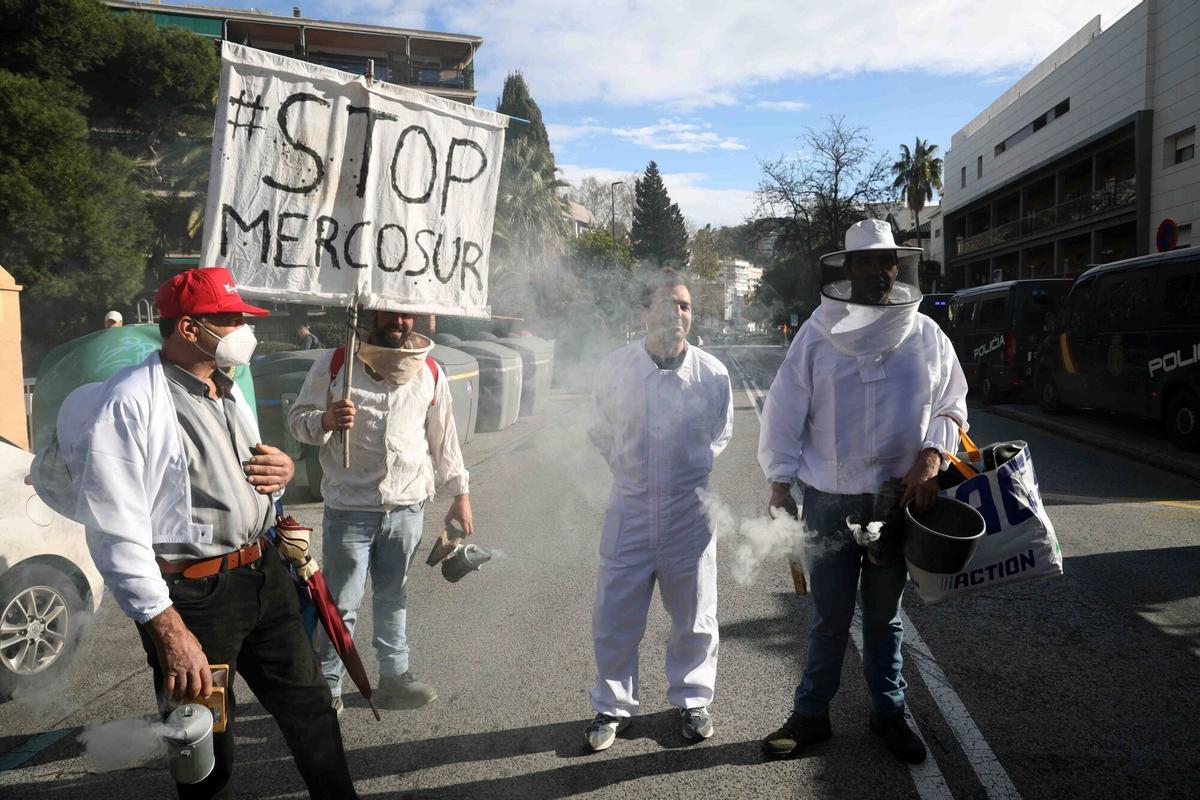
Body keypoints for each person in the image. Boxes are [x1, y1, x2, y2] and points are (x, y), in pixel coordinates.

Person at [58, 268, 357, 799]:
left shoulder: (228, 388)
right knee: (203, 741)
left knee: (311, 708)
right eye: (231, 319)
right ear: (189, 328)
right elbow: (113, 529)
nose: (245, 329)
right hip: (195, 597)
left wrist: (283, 473)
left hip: (262, 575)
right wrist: (169, 631)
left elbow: (243, 474)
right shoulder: (132, 400)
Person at [757, 219, 968, 764]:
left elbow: (952, 404)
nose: (879, 270)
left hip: (895, 501)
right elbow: (783, 411)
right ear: (848, 268)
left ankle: (888, 714)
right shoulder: (816, 334)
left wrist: (931, 458)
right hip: (828, 499)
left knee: (883, 618)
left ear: (899, 267)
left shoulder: (926, 335)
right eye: (868, 261)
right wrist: (779, 482)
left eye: (887, 261)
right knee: (828, 617)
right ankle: (810, 716)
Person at [288, 310, 472, 714]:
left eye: (406, 315)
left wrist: (460, 493)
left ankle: (394, 678)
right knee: (341, 602)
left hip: (407, 506)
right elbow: (297, 422)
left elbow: (444, 438)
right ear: (371, 312)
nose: (399, 321)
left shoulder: (429, 371)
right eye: (390, 313)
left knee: (394, 595)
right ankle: (329, 685)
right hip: (349, 509)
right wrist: (326, 419)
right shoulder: (335, 364)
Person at [585, 270, 734, 751]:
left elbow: (719, 435)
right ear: (644, 312)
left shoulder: (711, 375)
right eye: (668, 304)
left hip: (688, 512)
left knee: (695, 614)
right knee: (615, 614)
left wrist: (681, 478)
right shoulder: (615, 369)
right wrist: (634, 474)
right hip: (629, 507)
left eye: (685, 305)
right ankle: (612, 706)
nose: (678, 314)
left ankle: (693, 700)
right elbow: (600, 430)